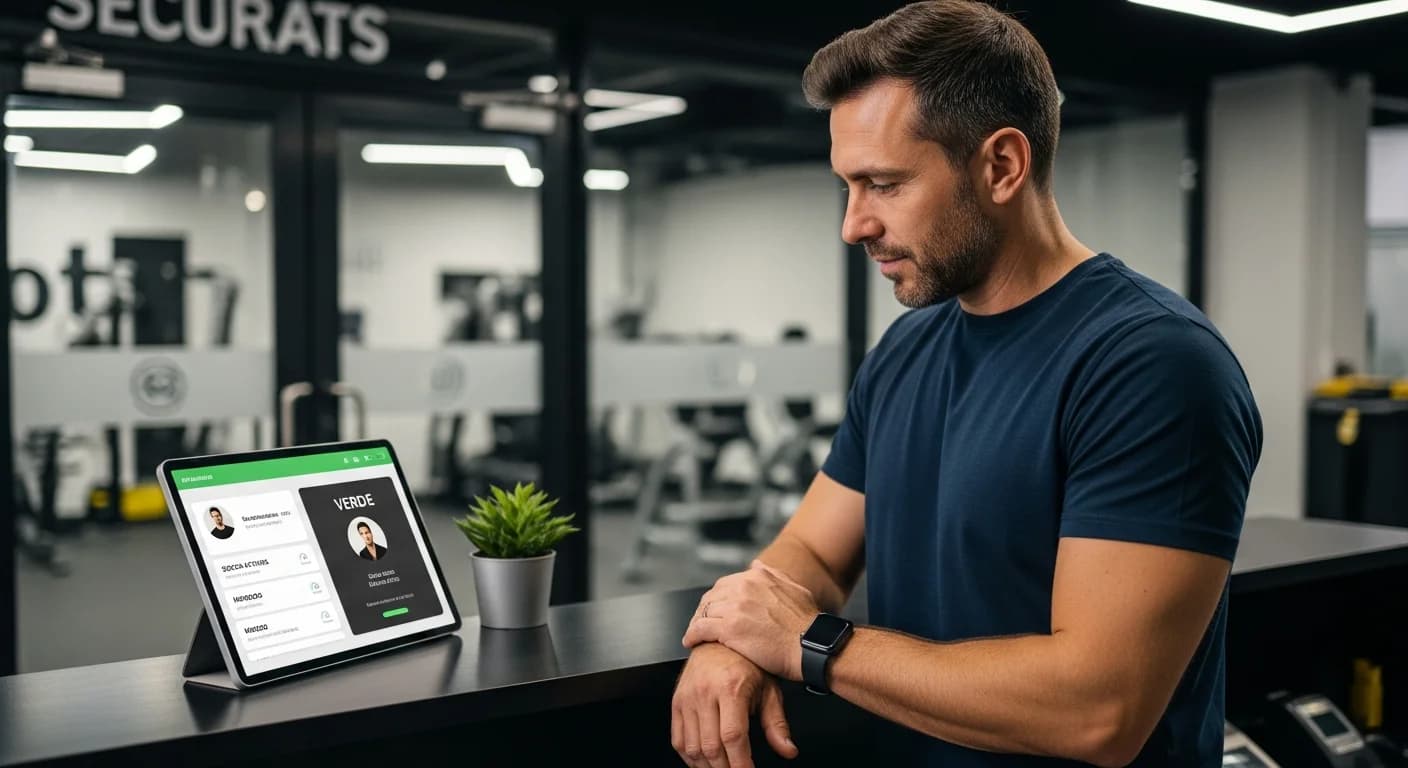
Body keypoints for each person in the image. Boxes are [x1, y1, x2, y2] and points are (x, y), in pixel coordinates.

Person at [670, 3, 1263, 767]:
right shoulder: (907, 349)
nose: (854, 225)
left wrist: (811, 644)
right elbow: (813, 552)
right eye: (847, 187)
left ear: (1002, 166)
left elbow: (1098, 708)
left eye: (882, 184)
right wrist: (737, 637)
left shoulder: (1152, 364)